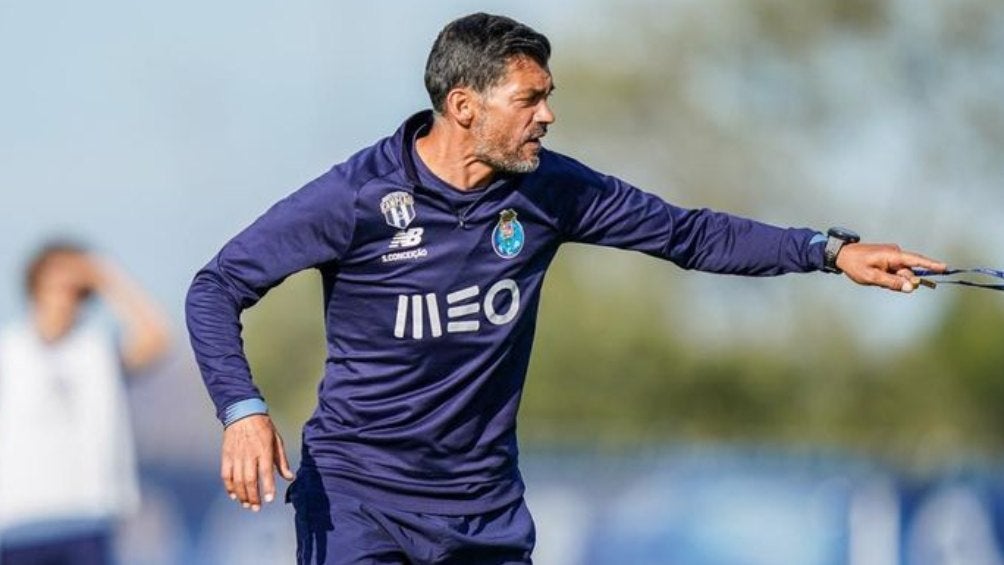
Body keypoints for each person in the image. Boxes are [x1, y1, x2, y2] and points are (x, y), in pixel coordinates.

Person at [185, 12, 946, 565]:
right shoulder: (356, 197)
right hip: (361, 498)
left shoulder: (550, 189)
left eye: (548, 95)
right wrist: (242, 410)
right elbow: (216, 286)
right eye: (529, 99)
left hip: (482, 510)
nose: (548, 115)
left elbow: (689, 235)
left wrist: (828, 250)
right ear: (464, 107)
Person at [0, 242, 171, 565]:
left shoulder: (98, 350)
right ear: (36, 287)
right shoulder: (8, 350)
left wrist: (106, 277)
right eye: (56, 284)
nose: (65, 297)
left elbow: (157, 338)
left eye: (75, 288)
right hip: (19, 520)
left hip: (87, 515)